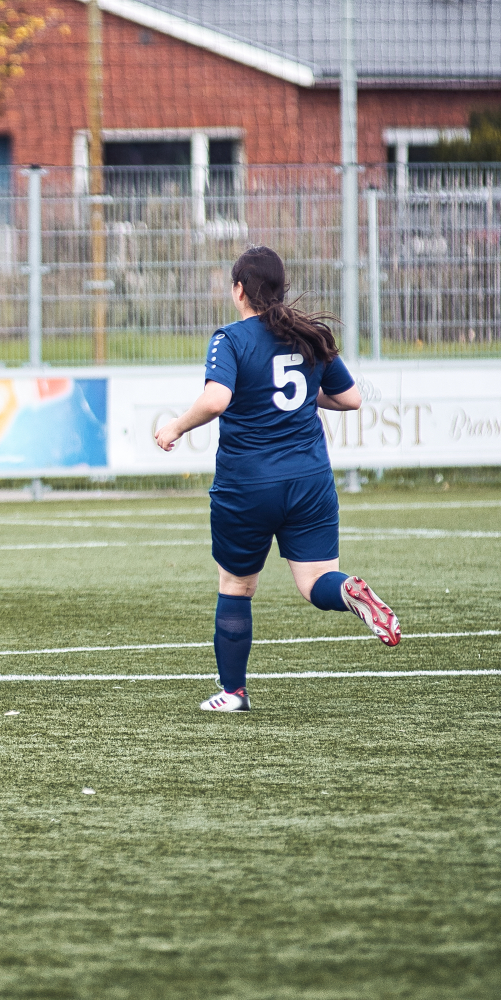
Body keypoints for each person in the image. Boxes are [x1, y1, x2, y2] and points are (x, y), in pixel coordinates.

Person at [155, 245, 401, 713]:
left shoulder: (230, 339)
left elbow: (216, 399)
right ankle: (348, 591)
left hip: (248, 484)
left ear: (239, 289)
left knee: (236, 586)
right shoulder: (310, 334)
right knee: (315, 581)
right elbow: (349, 399)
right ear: (281, 289)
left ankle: (234, 693)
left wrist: (174, 426)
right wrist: (306, 397)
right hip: (309, 480)